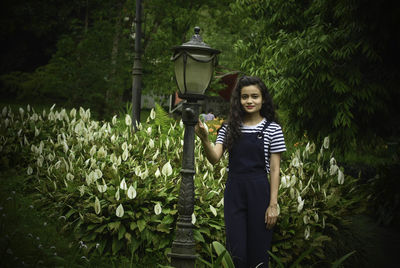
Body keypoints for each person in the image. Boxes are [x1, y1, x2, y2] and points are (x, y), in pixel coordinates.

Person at [195, 76, 286, 268]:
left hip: (259, 193)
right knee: (236, 253)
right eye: (245, 97)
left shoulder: (273, 129)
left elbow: (276, 170)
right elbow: (214, 158)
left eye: (255, 96)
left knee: (259, 253)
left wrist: (273, 205)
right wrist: (204, 139)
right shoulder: (229, 128)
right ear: (239, 100)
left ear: (263, 99)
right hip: (234, 193)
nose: (250, 101)